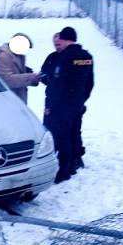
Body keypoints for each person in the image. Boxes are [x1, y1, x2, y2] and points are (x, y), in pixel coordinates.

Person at [42, 26, 94, 183]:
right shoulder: (86, 56)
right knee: (74, 132)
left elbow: (57, 84)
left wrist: (49, 105)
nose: (58, 43)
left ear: (65, 39)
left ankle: (64, 168)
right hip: (76, 104)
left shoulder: (65, 57)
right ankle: (74, 162)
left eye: (60, 40)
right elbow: (90, 83)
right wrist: (80, 100)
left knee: (61, 135)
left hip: (61, 106)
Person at [0, 33, 40, 103]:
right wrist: (30, 77)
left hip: (18, 98)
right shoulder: (3, 57)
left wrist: (25, 71)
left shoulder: (18, 55)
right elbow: (6, 80)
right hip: (8, 100)